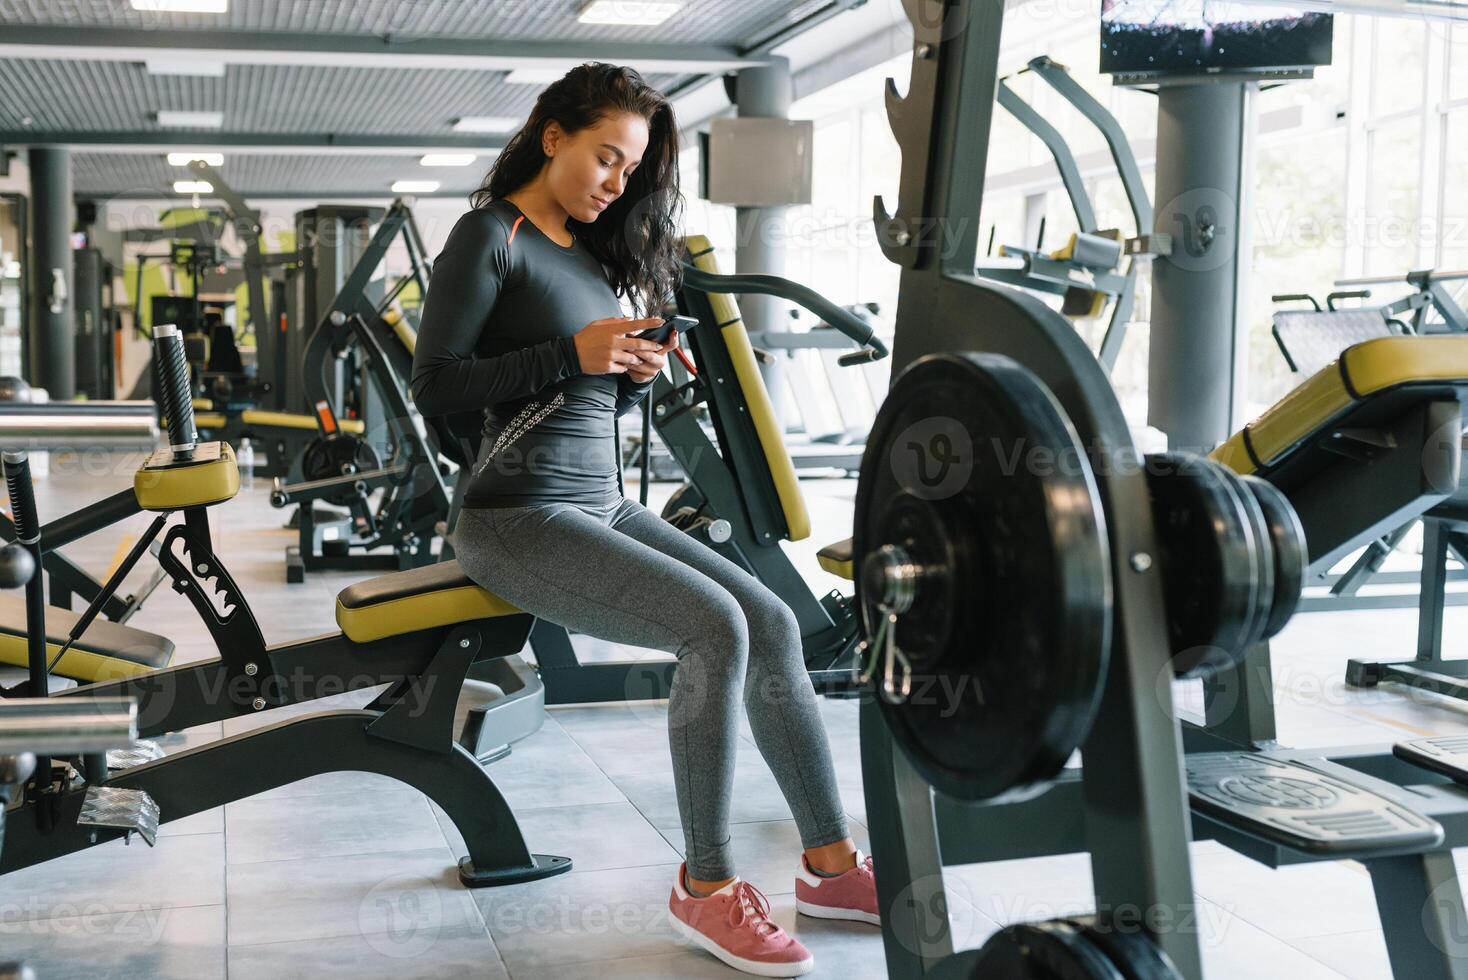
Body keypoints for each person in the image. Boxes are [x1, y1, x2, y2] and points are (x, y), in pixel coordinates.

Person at [410, 63, 878, 977]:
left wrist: (624, 375)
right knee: (714, 632)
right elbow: (437, 389)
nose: (616, 183)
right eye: (605, 158)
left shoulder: (587, 253)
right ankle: (705, 889)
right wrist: (568, 352)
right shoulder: (487, 236)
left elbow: (574, 395)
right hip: (513, 515)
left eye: (630, 170)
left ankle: (829, 866)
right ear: (553, 137)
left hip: (602, 502)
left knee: (774, 621)